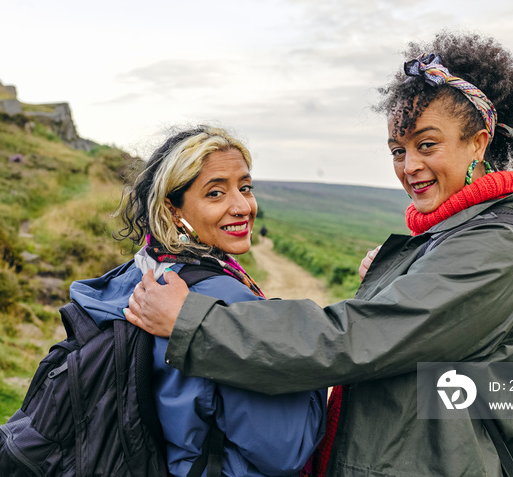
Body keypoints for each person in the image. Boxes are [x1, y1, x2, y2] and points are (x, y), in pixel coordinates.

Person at [125, 32, 513, 476]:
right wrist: (400, 276)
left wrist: (193, 323)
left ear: (479, 144)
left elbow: (348, 340)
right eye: (397, 150)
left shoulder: (493, 250)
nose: (409, 167)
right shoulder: (448, 240)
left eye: (427, 145)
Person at [70, 126, 326, 477]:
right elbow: (285, 447)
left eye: (245, 187)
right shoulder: (225, 300)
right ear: (173, 210)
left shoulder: (142, 275)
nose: (242, 206)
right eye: (216, 193)